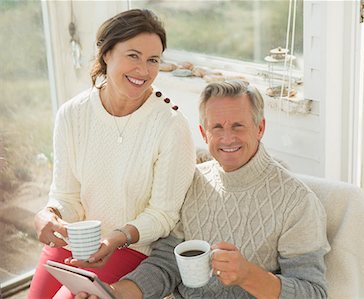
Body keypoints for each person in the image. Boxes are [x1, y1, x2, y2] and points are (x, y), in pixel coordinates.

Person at [77, 80, 330, 299]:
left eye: (238, 126)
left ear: (260, 128)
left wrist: (248, 276)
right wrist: (116, 293)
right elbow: (165, 264)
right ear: (204, 133)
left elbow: (313, 292)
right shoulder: (191, 180)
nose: (227, 138)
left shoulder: (297, 201)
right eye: (217, 128)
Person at [29, 9, 196, 298]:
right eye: (133, 55)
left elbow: (164, 215)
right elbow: (67, 196)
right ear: (106, 54)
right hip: (74, 245)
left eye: (153, 60)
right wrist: (49, 214)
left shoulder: (171, 126)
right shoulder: (72, 114)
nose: (143, 70)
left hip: (131, 250)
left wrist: (116, 238)